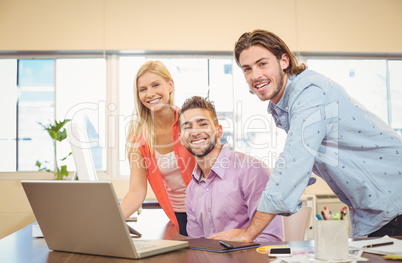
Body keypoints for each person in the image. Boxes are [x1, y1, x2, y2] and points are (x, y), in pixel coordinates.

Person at [210, 29, 402, 242]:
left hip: (394, 200)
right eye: (247, 69)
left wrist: (248, 233)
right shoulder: (283, 107)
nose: (255, 75)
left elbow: (295, 161)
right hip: (373, 213)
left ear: (284, 61)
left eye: (262, 63)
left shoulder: (310, 91)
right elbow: (299, 164)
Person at [178, 96, 284, 242]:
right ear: (181, 138)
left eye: (203, 124)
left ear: (219, 131)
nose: (195, 132)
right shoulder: (191, 189)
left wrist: (242, 238)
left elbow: (271, 238)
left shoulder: (251, 171)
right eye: (187, 127)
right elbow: (197, 244)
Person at [120, 60, 196, 236]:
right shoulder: (139, 138)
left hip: (209, 212)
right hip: (178, 216)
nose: (150, 94)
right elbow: (136, 191)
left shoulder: (191, 121)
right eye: (143, 89)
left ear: (170, 85)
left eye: (156, 85)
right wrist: (111, 221)